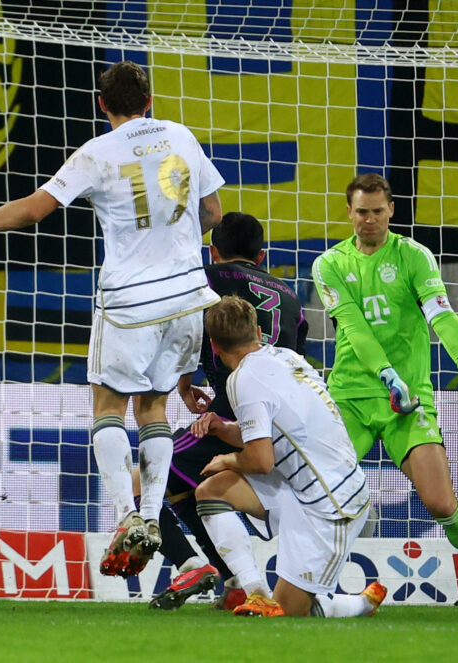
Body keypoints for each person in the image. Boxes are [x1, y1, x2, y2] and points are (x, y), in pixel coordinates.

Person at [0, 60, 225, 578]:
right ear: (149, 101)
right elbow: (212, 213)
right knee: (154, 409)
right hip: (190, 294)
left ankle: (129, 517)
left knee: (108, 406)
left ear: (102, 105)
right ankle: (151, 515)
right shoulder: (180, 135)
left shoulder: (96, 154)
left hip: (130, 299)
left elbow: (35, 211)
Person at [310, 173, 458, 608]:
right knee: (322, 498)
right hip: (350, 398)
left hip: (409, 403)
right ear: (348, 213)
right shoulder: (329, 265)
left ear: (391, 210)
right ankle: (311, 587)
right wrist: (388, 376)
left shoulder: (414, 256)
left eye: (377, 211)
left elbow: (441, 315)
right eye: (361, 212)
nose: (369, 220)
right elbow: (353, 328)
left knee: (440, 501)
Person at [135, 211, 309, 610]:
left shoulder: (206, 278)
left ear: (213, 250)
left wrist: (182, 380)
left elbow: (184, 327)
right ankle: (231, 580)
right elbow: (295, 363)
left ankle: (193, 566)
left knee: (137, 485)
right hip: (279, 420)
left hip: (233, 413)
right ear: (262, 256)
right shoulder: (292, 298)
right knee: (185, 488)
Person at [190, 295, 386, 618]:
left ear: (214, 345)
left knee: (292, 614)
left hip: (332, 504)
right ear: (257, 331)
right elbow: (267, 437)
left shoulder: (241, 379)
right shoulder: (284, 356)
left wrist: (227, 459)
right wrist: (222, 428)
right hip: (303, 486)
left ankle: (360, 604)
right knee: (211, 492)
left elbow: (261, 460)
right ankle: (257, 593)